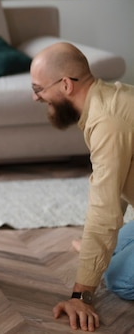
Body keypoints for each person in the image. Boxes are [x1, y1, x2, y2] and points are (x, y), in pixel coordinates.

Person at [30, 41, 134, 332]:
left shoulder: (108, 122)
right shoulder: (108, 99)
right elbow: (118, 190)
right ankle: (106, 253)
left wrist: (81, 295)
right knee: (106, 249)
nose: (35, 98)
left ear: (65, 85)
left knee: (117, 279)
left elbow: (104, 210)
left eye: (38, 89)